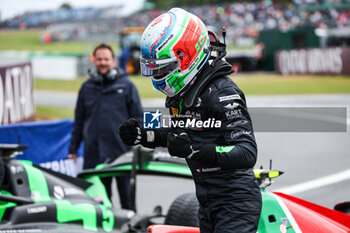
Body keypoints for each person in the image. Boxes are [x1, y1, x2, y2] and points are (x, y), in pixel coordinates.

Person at [119, 8, 262, 232]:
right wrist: (143, 134)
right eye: (155, 71)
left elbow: (246, 152)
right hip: (206, 201)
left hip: (235, 203)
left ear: (186, 57)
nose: (158, 76)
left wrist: (194, 150)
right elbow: (179, 134)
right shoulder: (187, 93)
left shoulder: (222, 94)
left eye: (163, 69)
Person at [68, 43, 143, 209]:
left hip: (122, 153)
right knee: (100, 203)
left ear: (113, 61)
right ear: (94, 61)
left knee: (128, 202)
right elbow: (79, 120)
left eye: (106, 59)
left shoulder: (127, 86)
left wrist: (139, 143)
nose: (102, 62)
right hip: (95, 154)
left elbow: (138, 117)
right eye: (99, 59)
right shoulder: (86, 87)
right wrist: (73, 149)